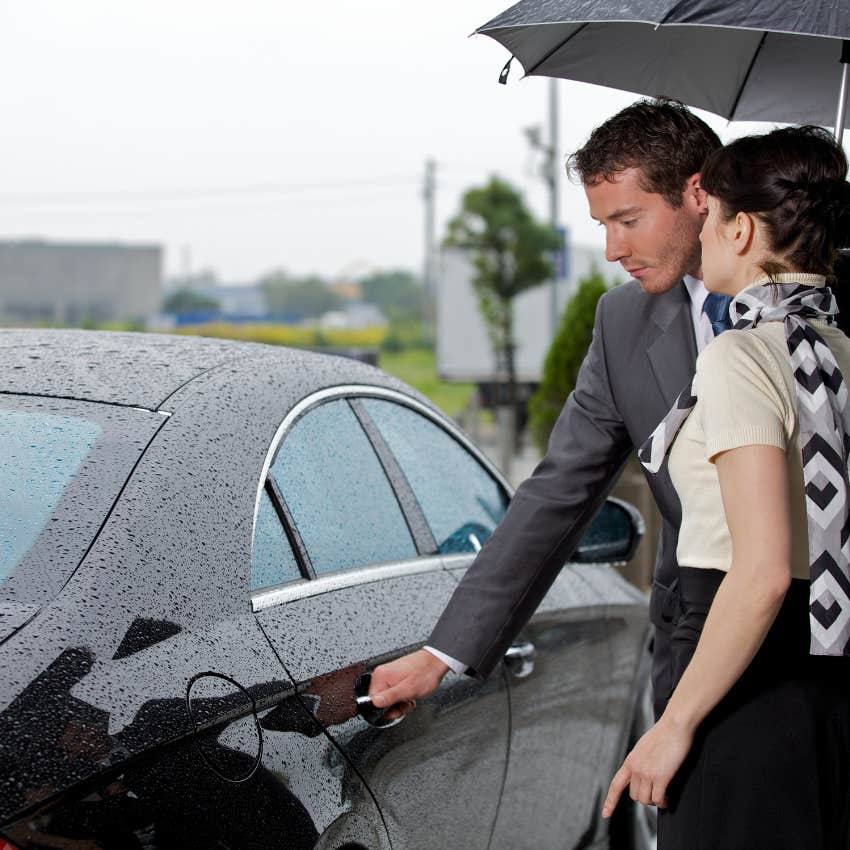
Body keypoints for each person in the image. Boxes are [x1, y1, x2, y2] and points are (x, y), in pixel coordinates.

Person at [369, 97, 722, 722]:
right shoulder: (622, 322)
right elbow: (557, 490)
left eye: (629, 220)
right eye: (602, 226)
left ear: (697, 194)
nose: (613, 250)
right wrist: (442, 653)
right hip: (693, 646)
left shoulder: (823, 307)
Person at [602, 124, 850, 848]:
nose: (700, 231)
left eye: (707, 216)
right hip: (831, 677)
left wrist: (673, 724)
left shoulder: (743, 355)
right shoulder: (839, 348)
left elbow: (764, 571)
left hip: (739, 676)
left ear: (741, 230)